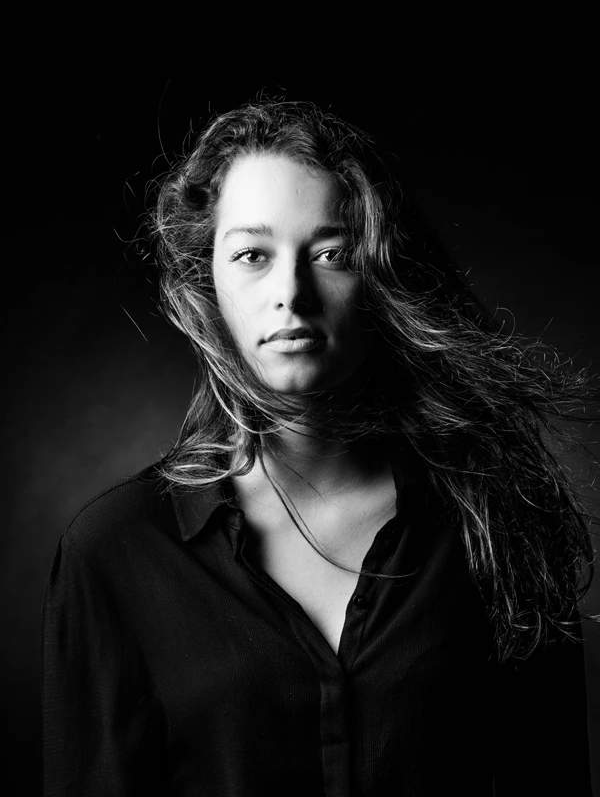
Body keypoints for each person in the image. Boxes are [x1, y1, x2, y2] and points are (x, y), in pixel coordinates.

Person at [42, 100, 597, 796]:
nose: (292, 294)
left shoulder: (496, 521)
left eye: (332, 254)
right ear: (206, 278)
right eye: (252, 255)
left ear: (382, 274)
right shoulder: (116, 551)